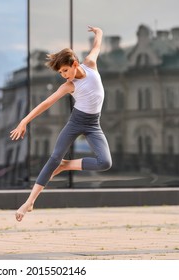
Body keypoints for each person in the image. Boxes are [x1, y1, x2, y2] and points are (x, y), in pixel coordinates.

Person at [10, 26, 112, 222]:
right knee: (54, 157)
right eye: (61, 73)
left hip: (93, 125)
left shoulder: (90, 64)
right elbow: (46, 103)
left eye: (65, 70)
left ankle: (66, 166)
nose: (64, 75)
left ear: (74, 64)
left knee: (105, 162)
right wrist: (24, 121)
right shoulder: (68, 85)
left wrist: (98, 32)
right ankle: (29, 201)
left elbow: (97, 45)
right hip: (76, 122)